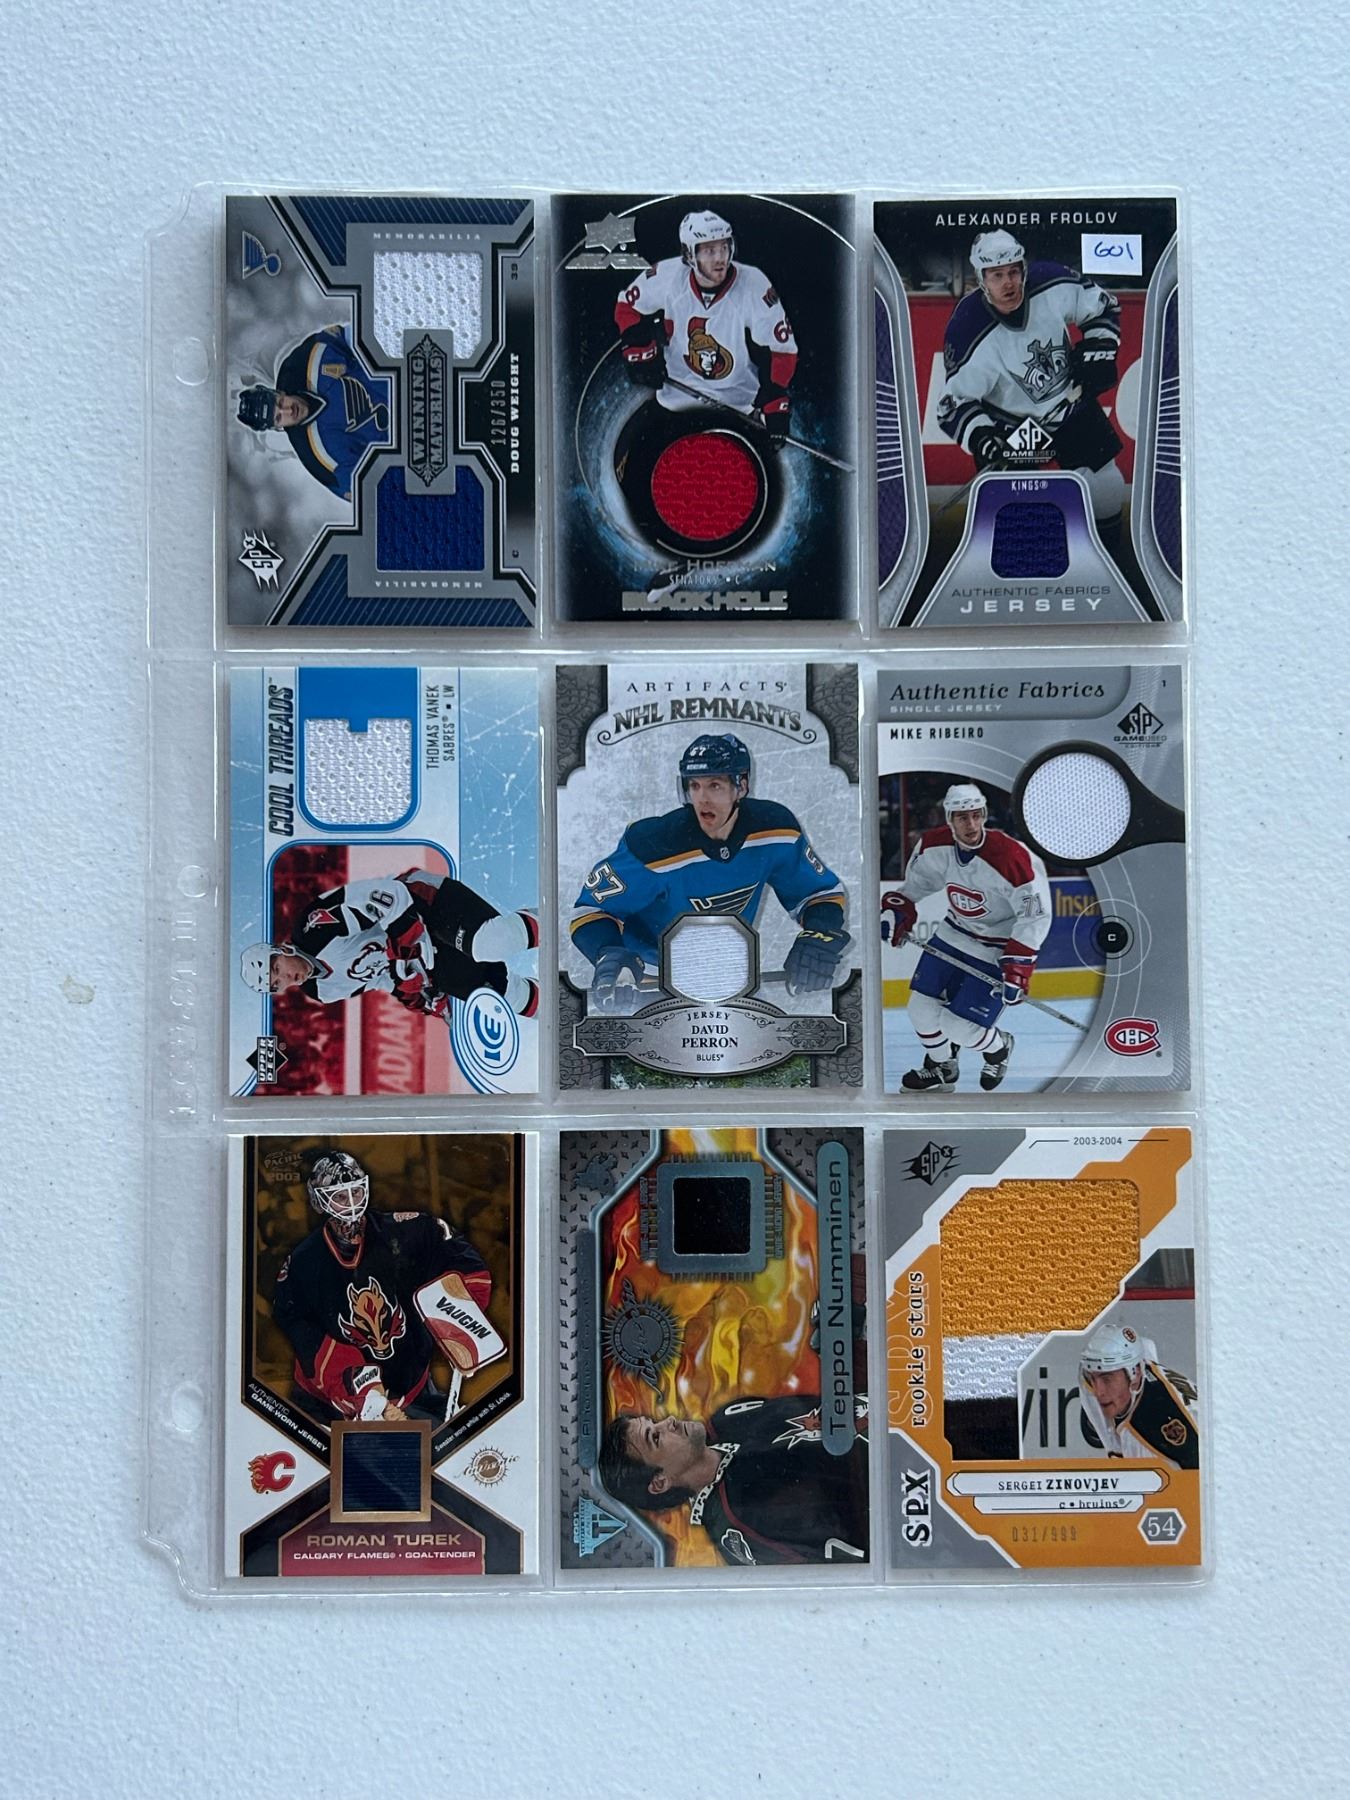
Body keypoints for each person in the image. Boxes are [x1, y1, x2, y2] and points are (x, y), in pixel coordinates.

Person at [569, 734, 849, 1005]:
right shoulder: (653, 845)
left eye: (715, 785)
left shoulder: (776, 831)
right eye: (695, 785)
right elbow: (591, 911)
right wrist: (610, 955)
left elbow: (818, 894)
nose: (702, 798)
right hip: (647, 980)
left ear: (741, 786)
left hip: (728, 977)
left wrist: (820, 932)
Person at [270, 1151, 493, 1424]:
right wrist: (367, 1394)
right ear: (319, 1200)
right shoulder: (303, 1263)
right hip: (327, 1402)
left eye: (356, 1192)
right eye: (340, 1197)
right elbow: (304, 1332)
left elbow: (457, 1255)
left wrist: (462, 1330)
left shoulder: (401, 1232)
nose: (352, 1204)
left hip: (410, 1385)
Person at [937, 230, 1125, 545]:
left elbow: (1102, 306)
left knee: (1105, 484)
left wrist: (1099, 350)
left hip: (1068, 401)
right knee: (1018, 515)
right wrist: (983, 437)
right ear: (982, 279)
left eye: (1013, 271)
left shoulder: (1050, 282)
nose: (1008, 283)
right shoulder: (968, 328)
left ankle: (1109, 558)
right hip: (1012, 425)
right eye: (997, 275)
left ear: (1024, 269)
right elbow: (953, 404)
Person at [881, 782, 1050, 1093]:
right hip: (953, 933)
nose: (971, 825)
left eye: (976, 815)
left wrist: (1018, 965)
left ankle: (999, 1049)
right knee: (920, 1012)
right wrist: (898, 908)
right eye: (962, 817)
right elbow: (916, 885)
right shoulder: (933, 846)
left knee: (959, 1027)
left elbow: (1035, 914)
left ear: (984, 814)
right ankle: (942, 1067)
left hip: (995, 946)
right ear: (949, 818)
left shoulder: (1010, 856)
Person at [597, 1396, 869, 1566]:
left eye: (654, 1423)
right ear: (660, 1482)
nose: (668, 1421)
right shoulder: (741, 1520)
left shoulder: (727, 1419)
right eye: (655, 1437)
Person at [242, 867, 539, 1019]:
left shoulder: (312, 928)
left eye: (277, 968)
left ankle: (555, 918)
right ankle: (558, 1007)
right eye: (277, 984)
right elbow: (381, 978)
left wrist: (407, 941)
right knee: (498, 998)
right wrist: (415, 994)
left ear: (280, 950)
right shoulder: (322, 991)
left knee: (488, 943)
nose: (286, 978)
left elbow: (389, 896)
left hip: (421, 901)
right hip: (420, 951)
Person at [613, 210, 798, 445]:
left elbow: (783, 350)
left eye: (724, 248)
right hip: (676, 394)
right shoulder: (668, 276)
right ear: (689, 254)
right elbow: (627, 306)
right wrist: (640, 349)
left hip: (738, 404)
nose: (720, 258)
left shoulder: (754, 285)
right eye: (710, 250)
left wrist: (775, 398)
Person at [236, 322, 391, 500]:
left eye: (280, 403)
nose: (288, 411)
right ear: (276, 427)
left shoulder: (307, 360)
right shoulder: (317, 458)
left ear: (279, 392)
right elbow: (373, 492)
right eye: (278, 418)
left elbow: (359, 334)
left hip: (409, 372)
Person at [1077, 1321, 1199, 1468]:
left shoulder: (1161, 1425)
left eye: (1107, 1379)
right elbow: (1146, 1345)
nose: (1099, 1392)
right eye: (1091, 1377)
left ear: (1135, 1375)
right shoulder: (1098, 1377)